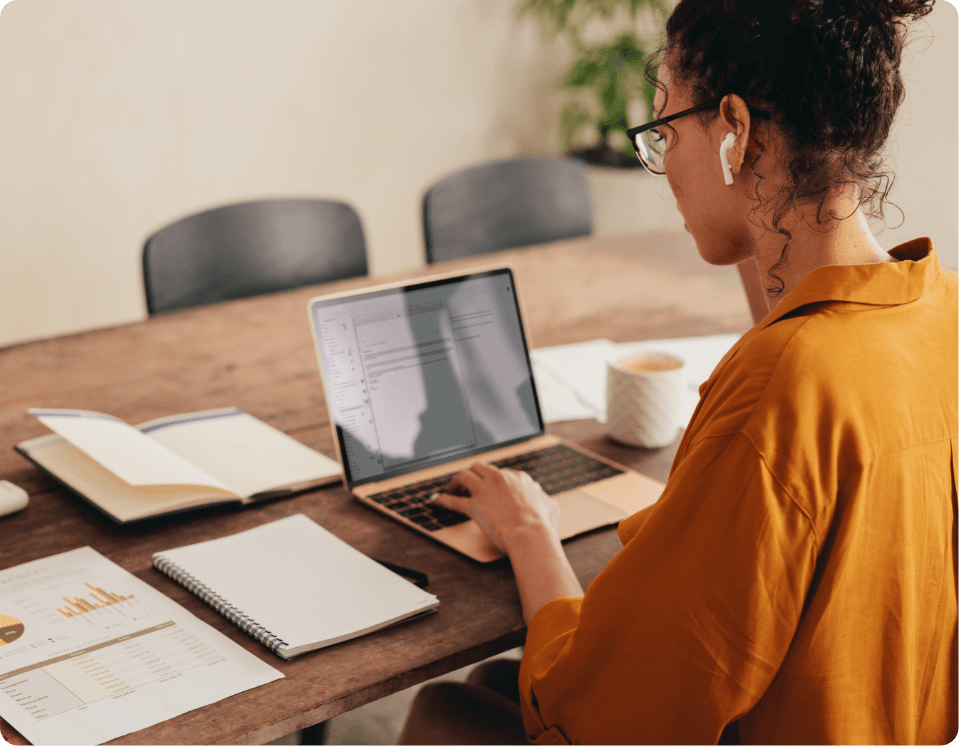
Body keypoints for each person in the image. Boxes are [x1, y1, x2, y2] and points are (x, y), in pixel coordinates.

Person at [398, 0, 958, 743]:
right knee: (492, 683)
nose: (661, 164)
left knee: (449, 712)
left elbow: (599, 717)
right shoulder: (935, 311)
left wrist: (530, 531)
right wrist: (753, 230)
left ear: (734, 130)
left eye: (662, 127)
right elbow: (824, 345)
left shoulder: (780, 388)